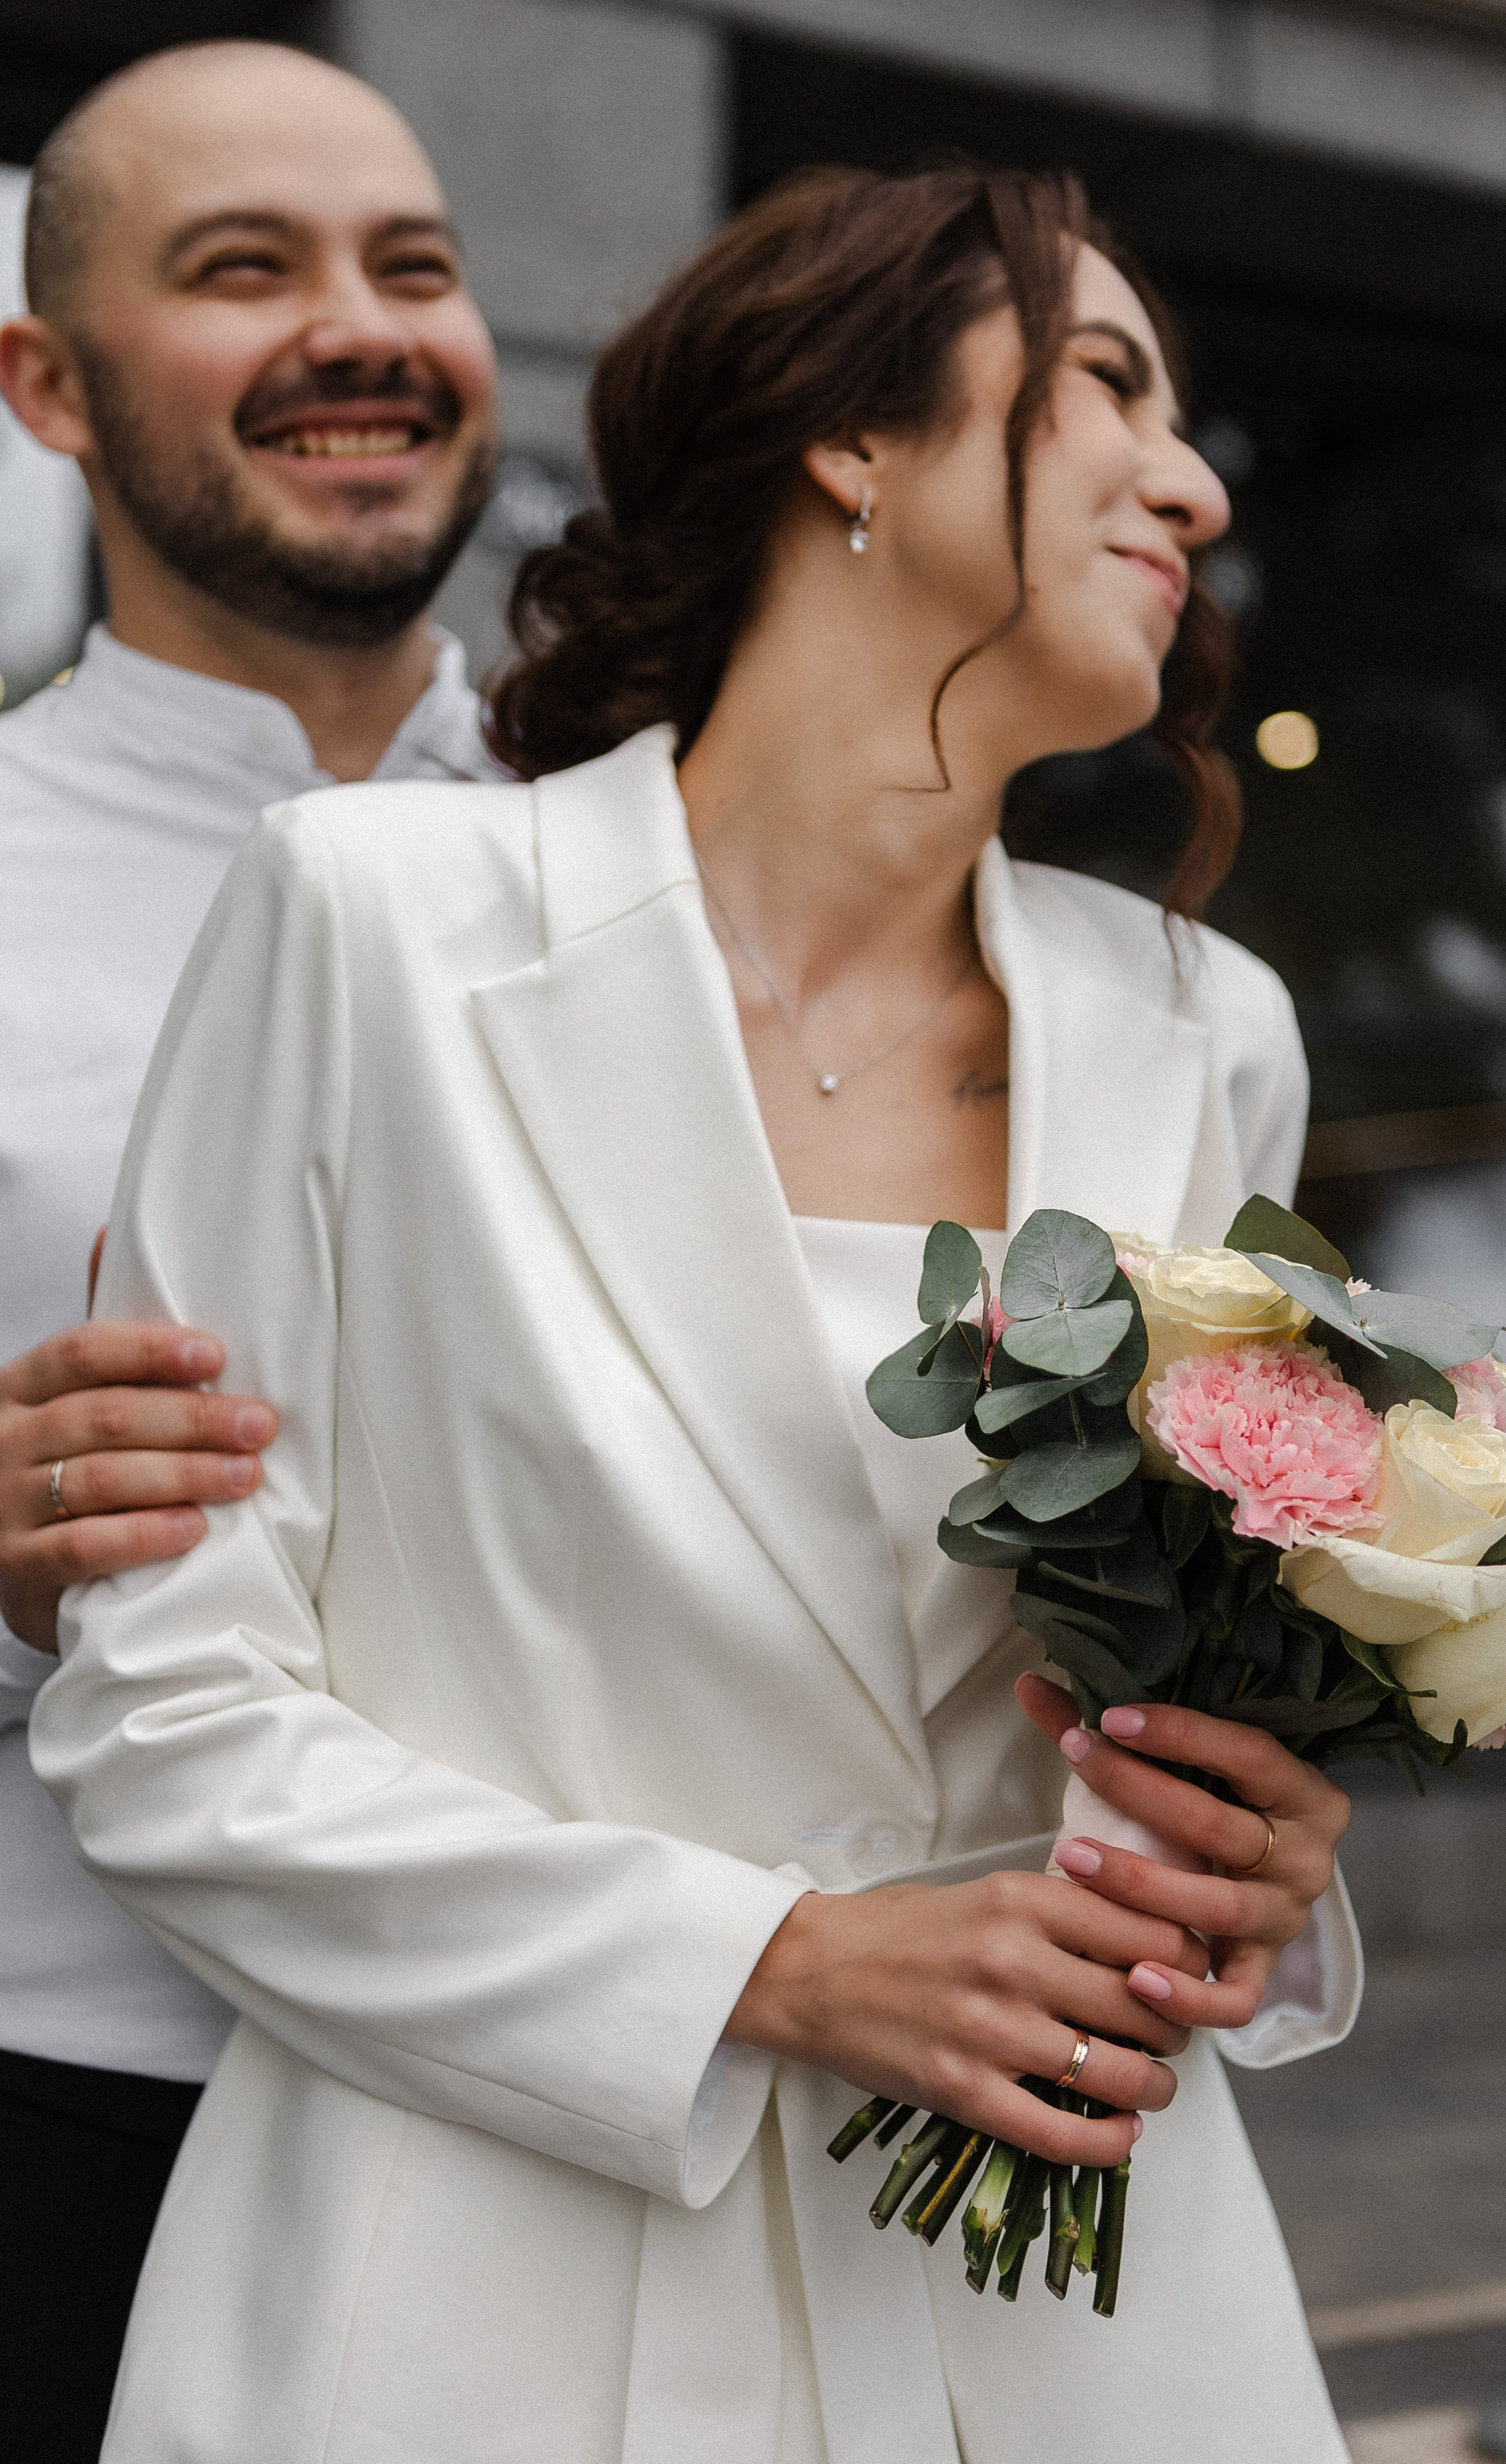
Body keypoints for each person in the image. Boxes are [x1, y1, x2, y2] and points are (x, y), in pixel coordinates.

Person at [33, 166, 1356, 2461]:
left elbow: (1156, 1688)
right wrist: (781, 1966)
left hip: (1067, 2313)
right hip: (472, 2281)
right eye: (1111, 383)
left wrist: (1252, 1861)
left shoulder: (1203, 1027)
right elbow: (168, 1718)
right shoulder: (371, 923)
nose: (1197, 476)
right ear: (850, 433)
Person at [0, 40, 500, 2458]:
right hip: (70, 2128)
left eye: (413, 265)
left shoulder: (700, 867)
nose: (361, 324)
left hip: (637, 2151)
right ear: (44, 383)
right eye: (243, 269)